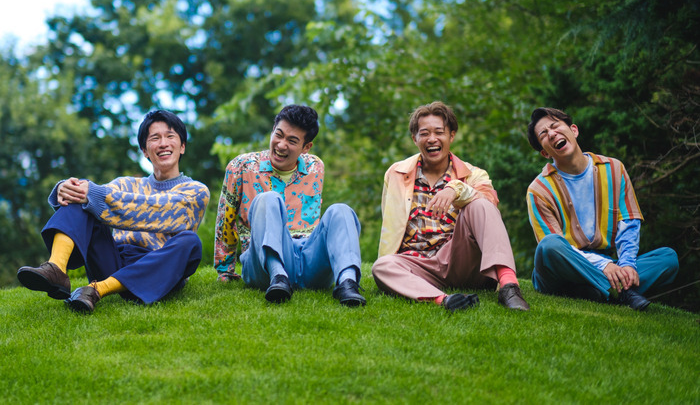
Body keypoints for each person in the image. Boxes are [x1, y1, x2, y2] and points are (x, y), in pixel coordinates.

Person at [16, 110, 210, 313]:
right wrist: (65, 189)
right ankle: (56, 269)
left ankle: (97, 290)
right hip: (113, 261)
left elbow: (156, 210)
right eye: (155, 138)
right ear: (145, 150)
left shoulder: (196, 191)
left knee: (190, 242)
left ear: (182, 146)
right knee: (84, 199)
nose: (163, 143)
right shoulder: (125, 184)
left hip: (157, 270)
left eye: (170, 136)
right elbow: (92, 198)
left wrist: (92, 193)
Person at [372, 101, 530, 312]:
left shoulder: (474, 174)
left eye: (439, 132)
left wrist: (455, 189)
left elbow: (490, 205)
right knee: (382, 266)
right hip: (418, 264)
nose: (432, 139)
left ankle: (509, 287)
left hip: (460, 259)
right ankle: (445, 299)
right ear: (414, 139)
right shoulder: (396, 173)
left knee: (480, 205)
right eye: (424, 133)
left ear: (451, 136)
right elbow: (390, 222)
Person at [526, 107, 679, 310]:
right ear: (545, 152)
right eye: (544, 134)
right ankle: (621, 291)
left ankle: (593, 291)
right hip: (560, 271)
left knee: (668, 258)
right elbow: (553, 247)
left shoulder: (614, 169)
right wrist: (604, 266)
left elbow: (628, 223)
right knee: (549, 246)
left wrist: (627, 265)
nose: (552, 134)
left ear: (574, 130)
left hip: (606, 262)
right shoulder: (538, 190)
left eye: (555, 126)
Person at [214, 105, 365, 307]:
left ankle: (348, 283)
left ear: (306, 147)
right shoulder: (241, 166)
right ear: (272, 130)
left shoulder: (315, 167)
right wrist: (225, 271)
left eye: (292, 141)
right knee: (268, 199)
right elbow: (226, 220)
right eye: (279, 135)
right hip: (262, 266)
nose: (281, 145)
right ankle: (278, 276)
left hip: (308, 261)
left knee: (341, 210)